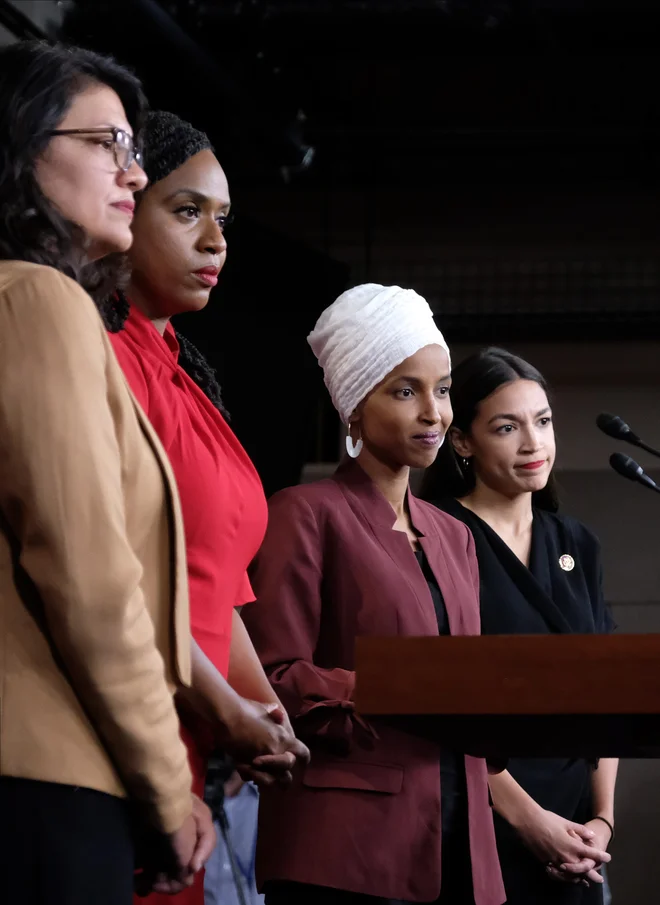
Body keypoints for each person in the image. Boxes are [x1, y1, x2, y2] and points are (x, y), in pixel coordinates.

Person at [0, 42, 213, 905]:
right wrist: (167, 781)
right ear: (21, 150)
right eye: (106, 145)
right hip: (45, 787)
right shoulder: (37, 302)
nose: (132, 174)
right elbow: (89, 580)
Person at [242, 283, 507, 905]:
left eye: (441, 390)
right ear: (354, 406)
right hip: (344, 848)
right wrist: (398, 688)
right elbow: (270, 676)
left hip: (459, 839)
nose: (434, 413)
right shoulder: (302, 514)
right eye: (405, 390)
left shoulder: (455, 536)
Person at [104, 110, 309, 905]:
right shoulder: (104, 358)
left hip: (198, 738)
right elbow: (115, 575)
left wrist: (264, 710)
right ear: (126, 203)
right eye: (187, 211)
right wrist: (227, 710)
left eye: (222, 219)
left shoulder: (188, 376)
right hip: (128, 728)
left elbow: (217, 587)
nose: (216, 241)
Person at [421, 347, 617, 905]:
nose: (534, 443)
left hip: (579, 840)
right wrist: (530, 821)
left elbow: (608, 697)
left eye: (544, 421)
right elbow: (434, 707)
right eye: (508, 427)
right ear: (462, 441)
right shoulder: (436, 536)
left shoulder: (577, 542)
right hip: (481, 823)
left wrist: (601, 824)